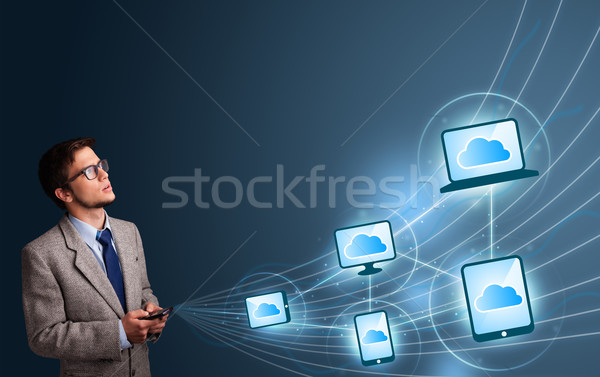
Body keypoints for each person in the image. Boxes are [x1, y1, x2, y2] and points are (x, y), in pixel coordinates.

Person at [22, 137, 167, 377]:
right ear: (64, 194)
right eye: (90, 171)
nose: (104, 175)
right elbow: (43, 336)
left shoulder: (129, 231)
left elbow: (143, 290)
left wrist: (149, 312)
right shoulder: (41, 254)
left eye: (101, 165)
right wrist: (119, 333)